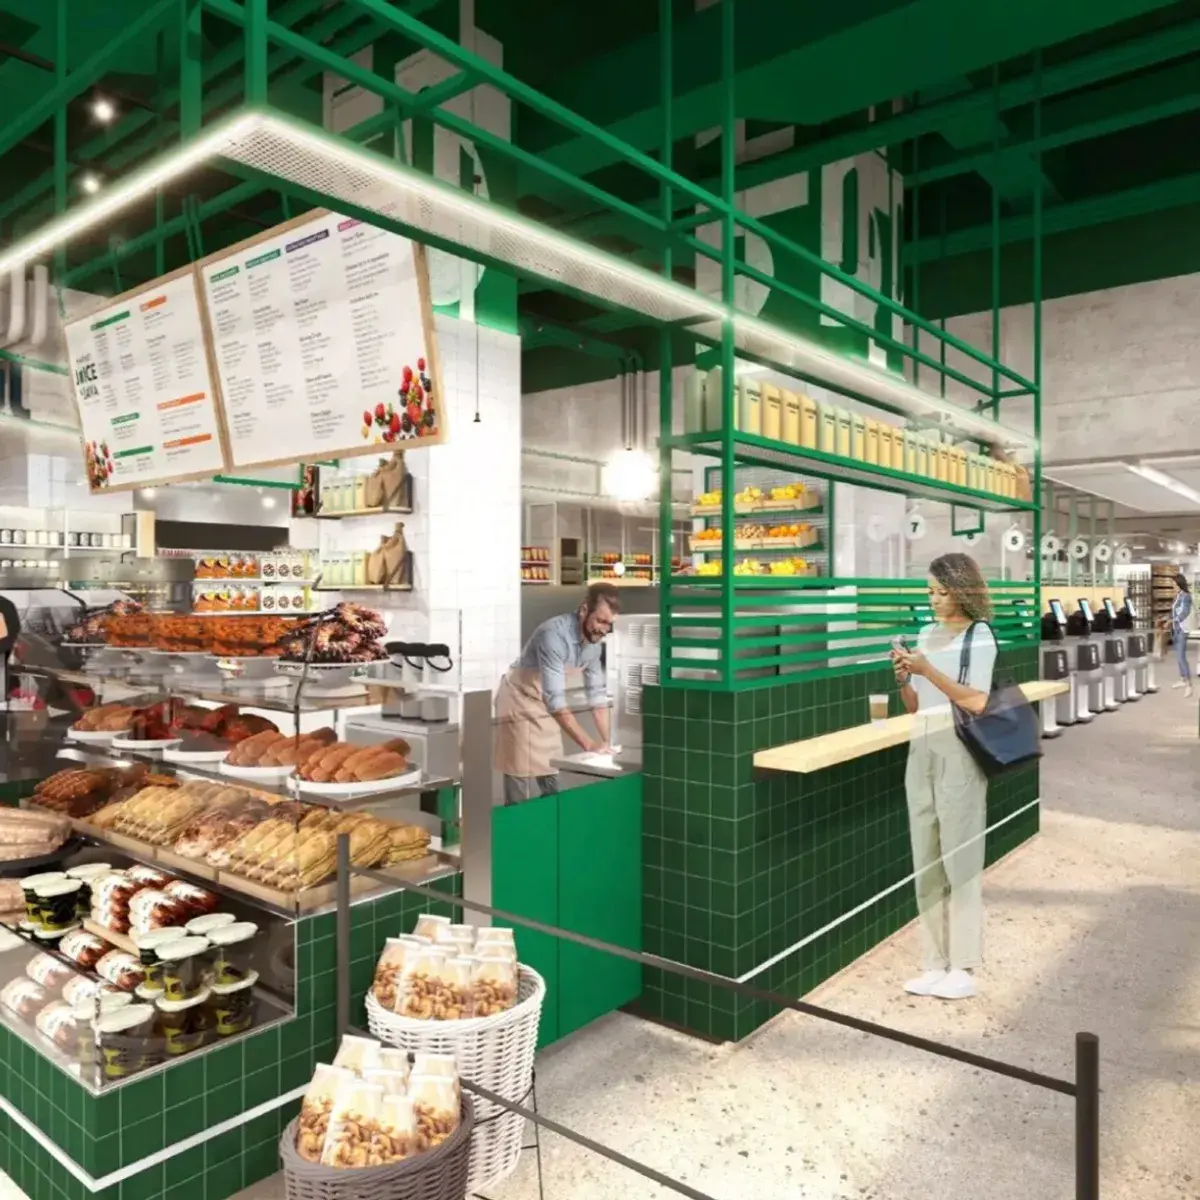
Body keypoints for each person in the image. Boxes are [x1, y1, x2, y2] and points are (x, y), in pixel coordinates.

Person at [891, 553, 995, 1002]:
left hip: (959, 754)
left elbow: (977, 703)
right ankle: (934, 962)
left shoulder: (980, 636)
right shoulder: (925, 634)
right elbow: (916, 707)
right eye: (930, 592)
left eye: (941, 591)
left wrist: (928, 669)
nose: (933, 600)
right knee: (927, 862)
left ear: (962, 589)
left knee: (961, 862)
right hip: (923, 747)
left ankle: (964, 966)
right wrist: (903, 679)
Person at [494, 582, 618, 805]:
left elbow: (597, 697)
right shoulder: (552, 634)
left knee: (552, 771)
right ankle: (517, 829)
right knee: (519, 775)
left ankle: (549, 828)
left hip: (544, 705)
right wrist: (590, 745)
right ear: (583, 610)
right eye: (600, 620)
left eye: (609, 624)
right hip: (519, 700)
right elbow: (556, 701)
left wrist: (607, 743)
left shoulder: (594, 644)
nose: (603, 629)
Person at [1168, 574, 1193, 697]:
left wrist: (1172, 621)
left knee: (1181, 657)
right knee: (1178, 657)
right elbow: (1173, 612)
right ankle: (1182, 680)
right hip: (1175, 630)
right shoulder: (1177, 596)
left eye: (1174, 584)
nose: (1173, 586)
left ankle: (1188, 685)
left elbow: (1184, 612)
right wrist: (1167, 619)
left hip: (1182, 630)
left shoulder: (1186, 597)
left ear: (1179, 584)